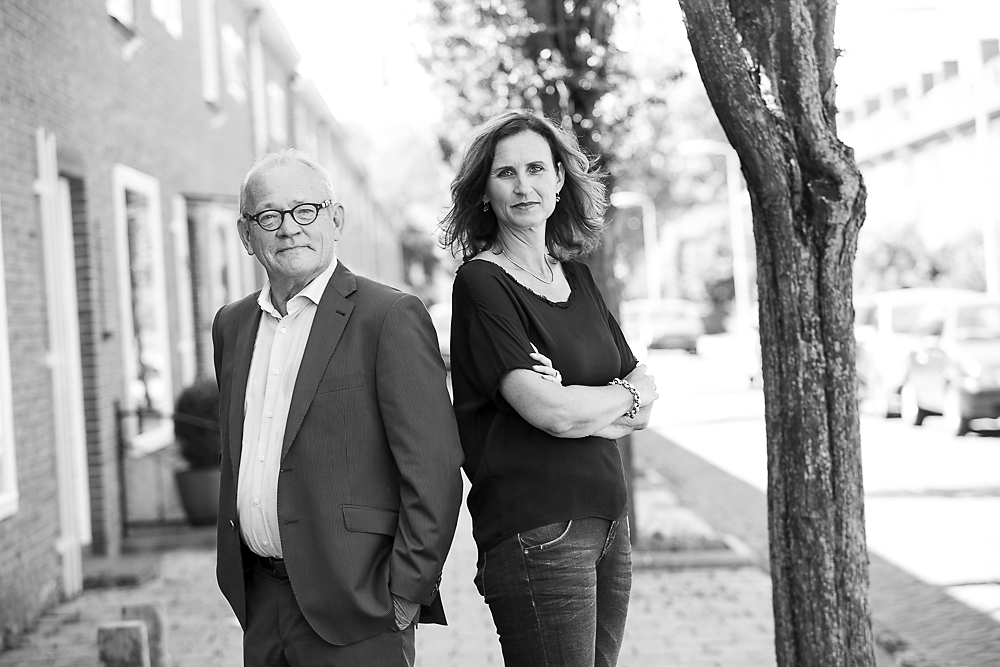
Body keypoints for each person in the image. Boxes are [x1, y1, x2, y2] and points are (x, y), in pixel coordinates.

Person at [213, 148, 464, 666]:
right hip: (261, 601)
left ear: (336, 220)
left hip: (358, 608)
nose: (290, 229)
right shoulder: (231, 326)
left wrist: (405, 594)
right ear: (246, 234)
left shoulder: (388, 316)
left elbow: (434, 469)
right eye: (269, 216)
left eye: (306, 210)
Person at [442, 108, 659, 667]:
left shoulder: (578, 277)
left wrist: (591, 403)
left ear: (560, 179)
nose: (524, 186)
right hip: (537, 528)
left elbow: (644, 398)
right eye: (505, 173)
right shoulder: (482, 283)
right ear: (484, 192)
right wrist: (597, 403)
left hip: (610, 521)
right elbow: (553, 413)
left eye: (536, 168)